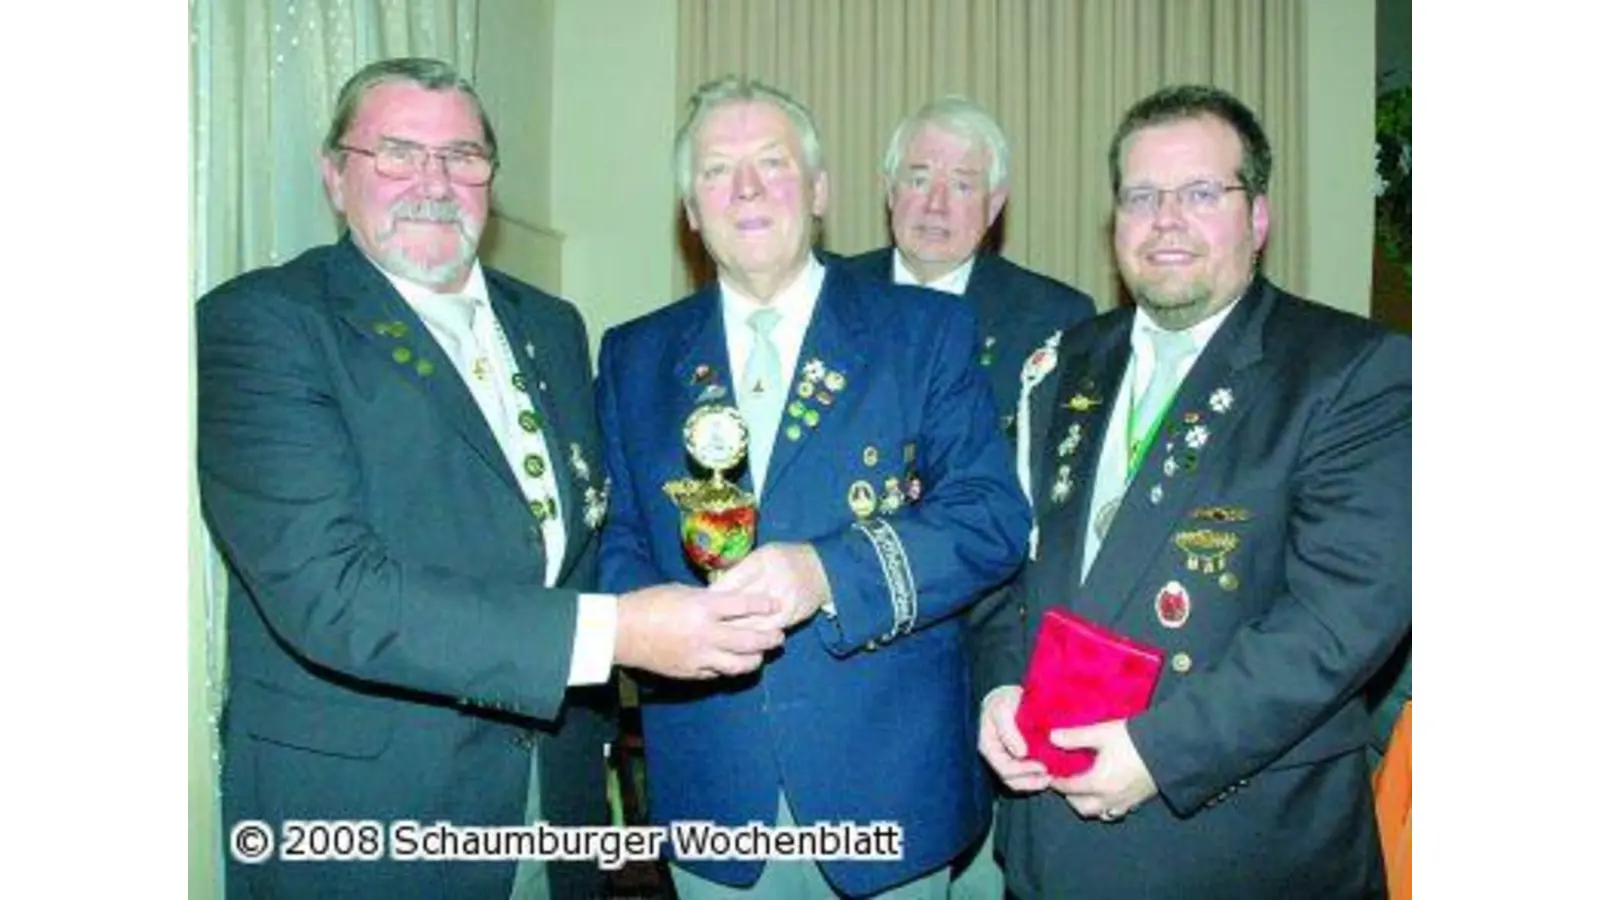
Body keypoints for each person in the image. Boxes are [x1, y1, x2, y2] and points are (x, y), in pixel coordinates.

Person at [196, 57, 784, 899]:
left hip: (554, 810)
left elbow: (577, 540)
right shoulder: (263, 323)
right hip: (370, 819)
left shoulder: (551, 326)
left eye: (463, 157)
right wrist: (616, 633)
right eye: (397, 153)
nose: (433, 182)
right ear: (335, 175)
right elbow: (330, 593)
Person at [595, 75, 1031, 898]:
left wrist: (827, 572)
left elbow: (990, 519)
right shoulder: (634, 355)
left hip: (889, 784)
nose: (748, 188)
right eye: (719, 171)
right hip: (713, 787)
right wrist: (652, 623)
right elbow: (616, 532)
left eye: (773, 163)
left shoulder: (922, 333)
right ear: (691, 208)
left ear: (821, 190)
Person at [974, 83, 1411, 898]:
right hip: (1048, 841)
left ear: (1259, 217)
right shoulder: (1062, 362)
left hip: (1235, 843)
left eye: (1202, 192)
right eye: (1142, 195)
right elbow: (1009, 564)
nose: (1166, 218)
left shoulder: (1352, 371)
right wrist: (1000, 684)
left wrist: (1161, 752)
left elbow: (1344, 616)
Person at [840, 94, 1097, 898]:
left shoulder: (1057, 319)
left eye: (962, 183)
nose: (937, 202)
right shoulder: (823, 295)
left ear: (995, 205)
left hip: (995, 639)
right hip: (855, 653)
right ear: (888, 192)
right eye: (918, 177)